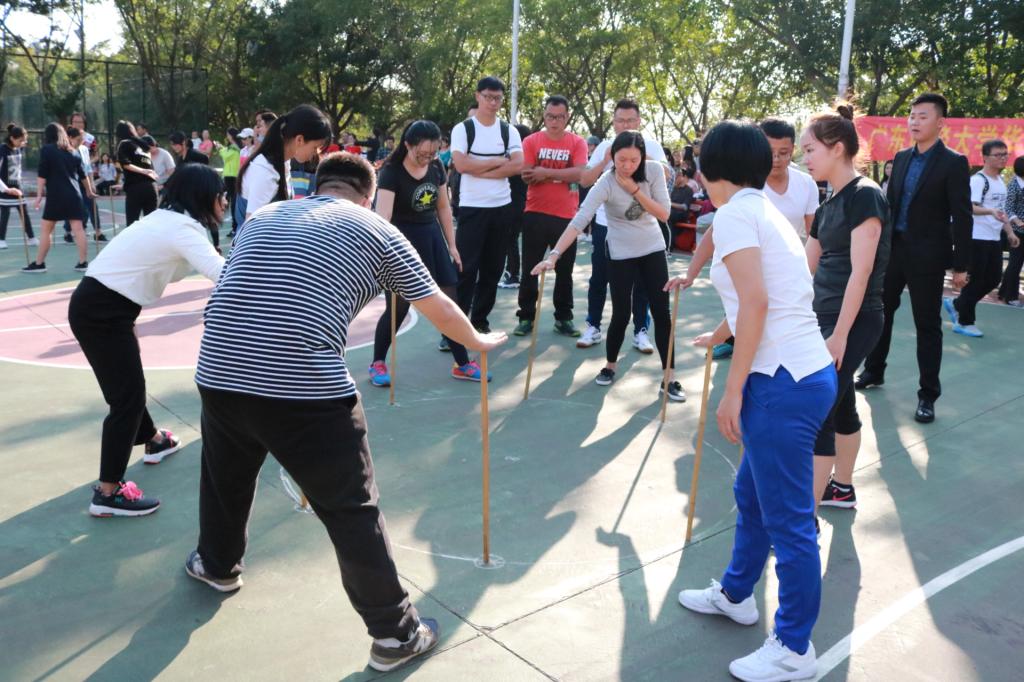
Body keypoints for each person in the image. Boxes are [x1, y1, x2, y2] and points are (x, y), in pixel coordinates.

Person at [189, 151, 507, 672]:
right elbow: (437, 304)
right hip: (305, 386)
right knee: (352, 508)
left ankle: (217, 564)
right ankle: (396, 635)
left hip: (219, 368)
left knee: (226, 476)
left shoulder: (265, 215)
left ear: (317, 185)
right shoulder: (378, 229)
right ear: (368, 194)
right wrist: (477, 340)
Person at [671, 120, 837, 682]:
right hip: (800, 372)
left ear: (706, 168)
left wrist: (732, 389)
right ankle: (737, 594)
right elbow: (764, 295)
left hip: (782, 381)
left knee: (790, 521)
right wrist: (720, 333)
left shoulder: (736, 215)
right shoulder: (760, 209)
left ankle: (793, 647)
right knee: (752, 493)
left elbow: (758, 302)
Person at [68, 164, 225, 516]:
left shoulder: (165, 219)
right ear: (205, 196)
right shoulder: (182, 229)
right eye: (221, 195)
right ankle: (108, 493)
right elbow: (223, 273)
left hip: (104, 307)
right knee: (126, 398)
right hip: (103, 312)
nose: (225, 202)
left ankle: (153, 440)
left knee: (128, 387)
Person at [533, 131, 684, 400]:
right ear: (612, 156)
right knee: (621, 313)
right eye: (621, 159)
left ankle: (669, 377)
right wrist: (553, 255)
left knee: (662, 313)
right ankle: (610, 365)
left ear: (643, 157)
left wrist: (634, 190)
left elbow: (663, 213)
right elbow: (580, 219)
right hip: (620, 252)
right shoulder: (606, 181)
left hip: (652, 248)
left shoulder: (653, 171)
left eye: (633, 160)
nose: (627, 166)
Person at [857, 93, 973, 424]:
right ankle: (873, 370)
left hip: (928, 258)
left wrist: (961, 265)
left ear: (940, 122)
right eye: (912, 116)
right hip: (894, 251)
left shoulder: (953, 162)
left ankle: (928, 395)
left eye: (923, 116)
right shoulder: (902, 157)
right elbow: (890, 205)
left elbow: (962, 216)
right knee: (880, 313)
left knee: (927, 325)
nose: (914, 121)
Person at [799, 104, 890, 513]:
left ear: (837, 148)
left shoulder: (865, 195)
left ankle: (804, 518)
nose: (805, 158)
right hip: (824, 316)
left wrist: (838, 336)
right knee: (842, 401)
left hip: (854, 319)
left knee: (819, 408)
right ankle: (842, 488)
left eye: (810, 149)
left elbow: (861, 271)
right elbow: (804, 268)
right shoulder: (827, 204)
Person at [369, 120, 488, 385]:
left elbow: (443, 207)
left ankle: (462, 363)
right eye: (422, 153)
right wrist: (384, 253)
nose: (428, 158)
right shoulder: (391, 171)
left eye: (433, 153)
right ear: (407, 145)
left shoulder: (435, 167)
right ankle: (377, 363)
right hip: (401, 242)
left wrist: (452, 246)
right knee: (398, 308)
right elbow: (383, 216)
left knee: (450, 303)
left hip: (431, 238)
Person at [577, 99, 669, 352]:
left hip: (640, 227)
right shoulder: (604, 147)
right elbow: (584, 180)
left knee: (642, 284)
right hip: (605, 225)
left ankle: (641, 330)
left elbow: (665, 174)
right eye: (620, 120)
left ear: (639, 121)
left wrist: (637, 155)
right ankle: (593, 326)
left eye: (630, 120)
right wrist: (606, 159)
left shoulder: (651, 146)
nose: (625, 125)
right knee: (599, 277)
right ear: (614, 122)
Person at [449, 76, 524, 333]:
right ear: (477, 96)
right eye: (488, 97)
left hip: (502, 209)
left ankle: (479, 322)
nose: (493, 103)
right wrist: (498, 162)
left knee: (493, 270)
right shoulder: (463, 129)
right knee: (466, 270)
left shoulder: (508, 131)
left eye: (498, 98)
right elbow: (461, 165)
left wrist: (480, 169)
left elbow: (518, 165)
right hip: (472, 208)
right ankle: (455, 330)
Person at [514, 95, 589, 338]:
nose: (554, 121)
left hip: (567, 217)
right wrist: (561, 174)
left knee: (565, 271)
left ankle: (564, 317)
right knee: (529, 268)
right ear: (544, 116)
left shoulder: (577, 142)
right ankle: (526, 316)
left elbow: (580, 174)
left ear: (567, 117)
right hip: (535, 212)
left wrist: (544, 172)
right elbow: (527, 174)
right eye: (549, 116)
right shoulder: (531, 141)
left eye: (559, 117)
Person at [944, 139, 1018, 336]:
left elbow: (1000, 211)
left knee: (994, 279)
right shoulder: (978, 181)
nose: (1003, 158)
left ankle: (957, 304)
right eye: (998, 154)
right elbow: (969, 207)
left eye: (1005, 154)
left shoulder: (1000, 182)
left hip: (993, 238)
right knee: (977, 280)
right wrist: (989, 211)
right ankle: (965, 322)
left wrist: (1009, 232)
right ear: (985, 157)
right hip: (976, 237)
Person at [236, 104, 331, 224]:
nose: (316, 154)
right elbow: (252, 228)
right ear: (299, 140)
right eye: (315, 147)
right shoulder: (265, 171)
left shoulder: (283, 162)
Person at [23, 123, 89, 273]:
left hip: (56, 195)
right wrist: (90, 190)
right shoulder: (73, 151)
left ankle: (39, 264)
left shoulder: (47, 150)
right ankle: (83, 262)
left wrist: (39, 195)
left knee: (46, 230)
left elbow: (42, 173)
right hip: (74, 195)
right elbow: (83, 175)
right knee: (78, 229)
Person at [498, 123, 532, 290]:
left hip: (514, 203)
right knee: (515, 240)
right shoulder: (528, 157)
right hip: (524, 202)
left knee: (509, 239)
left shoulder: (518, 159)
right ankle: (514, 273)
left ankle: (513, 274)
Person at [0, 123, 38, 250]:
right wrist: (5, 189)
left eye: (24, 140)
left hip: (17, 187)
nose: (23, 143)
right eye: (21, 140)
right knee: (5, 214)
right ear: (12, 138)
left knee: (24, 212)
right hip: (5, 189)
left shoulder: (19, 149)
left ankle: (31, 238)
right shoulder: (2, 150)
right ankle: (1, 240)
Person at [115, 120, 159, 226]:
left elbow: (126, 164)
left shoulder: (124, 143)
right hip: (151, 187)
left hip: (135, 188)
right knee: (152, 224)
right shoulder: (142, 145)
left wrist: (143, 171)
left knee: (132, 224)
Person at [63, 126, 102, 242]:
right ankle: (68, 231)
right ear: (70, 138)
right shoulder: (64, 150)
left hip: (85, 181)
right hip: (72, 182)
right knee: (73, 207)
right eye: (78, 140)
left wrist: (92, 183)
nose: (81, 142)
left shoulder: (84, 149)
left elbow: (88, 167)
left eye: (82, 140)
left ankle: (98, 232)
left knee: (92, 205)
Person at [998, 156, 1024, 307]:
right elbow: (1007, 208)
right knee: (1015, 264)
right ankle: (1010, 296)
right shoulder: (1014, 185)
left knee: (1015, 264)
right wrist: (1017, 221)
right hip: (1016, 231)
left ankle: (1003, 292)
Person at [216, 128, 242, 238]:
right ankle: (235, 227)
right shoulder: (235, 147)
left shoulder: (234, 147)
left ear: (231, 136)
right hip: (231, 176)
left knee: (234, 202)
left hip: (232, 177)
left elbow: (226, 156)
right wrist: (222, 148)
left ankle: (235, 227)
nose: (227, 137)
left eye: (228, 135)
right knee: (232, 202)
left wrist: (219, 148)